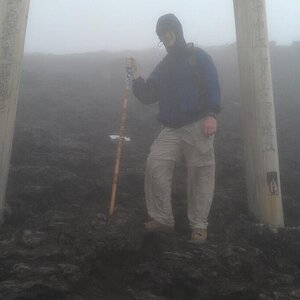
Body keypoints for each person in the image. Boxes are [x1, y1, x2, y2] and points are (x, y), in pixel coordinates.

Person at [130, 14, 220, 242]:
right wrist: (135, 75)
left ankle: (199, 225)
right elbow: (149, 94)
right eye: (162, 34)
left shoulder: (198, 57)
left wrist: (211, 115)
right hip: (170, 127)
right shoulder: (165, 65)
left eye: (169, 32)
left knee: (201, 173)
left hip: (198, 123)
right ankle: (162, 219)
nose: (166, 36)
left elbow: (212, 86)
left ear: (178, 32)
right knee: (155, 163)